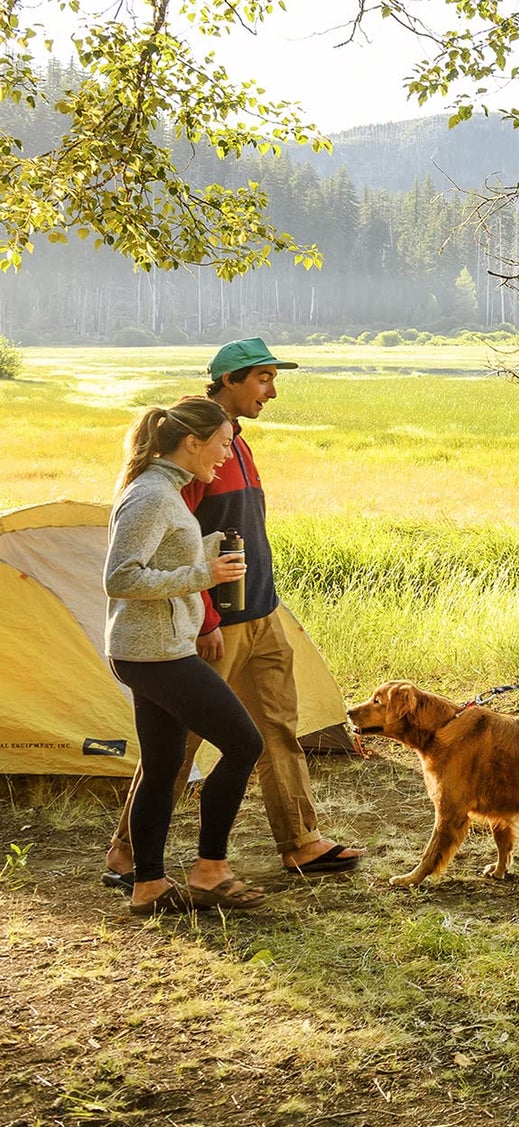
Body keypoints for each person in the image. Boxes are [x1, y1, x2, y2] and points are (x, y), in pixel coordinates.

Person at [104, 338, 363, 885]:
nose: (272, 391)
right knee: (183, 743)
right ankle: (128, 853)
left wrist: (265, 600)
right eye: (263, 379)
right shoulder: (192, 452)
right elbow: (179, 546)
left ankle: (300, 842)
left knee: (277, 727)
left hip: (264, 610)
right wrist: (206, 618)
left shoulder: (233, 443)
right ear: (229, 380)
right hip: (216, 622)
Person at [105, 398, 266, 915]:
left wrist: (211, 545)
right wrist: (203, 576)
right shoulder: (151, 494)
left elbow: (164, 553)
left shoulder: (165, 489)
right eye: (222, 443)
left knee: (161, 765)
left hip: (156, 648)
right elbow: (121, 577)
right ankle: (210, 869)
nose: (226, 453)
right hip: (154, 652)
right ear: (192, 443)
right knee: (244, 744)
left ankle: (148, 885)